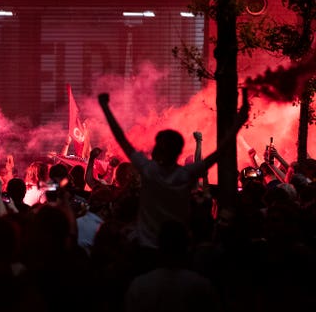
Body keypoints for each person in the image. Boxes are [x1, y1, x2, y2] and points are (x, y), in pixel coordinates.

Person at [97, 89, 250, 251]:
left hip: (147, 249)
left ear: (161, 151)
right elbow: (219, 153)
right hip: (177, 249)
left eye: (159, 146)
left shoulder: (148, 170)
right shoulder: (184, 174)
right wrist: (238, 124)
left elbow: (121, 139)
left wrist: (105, 107)